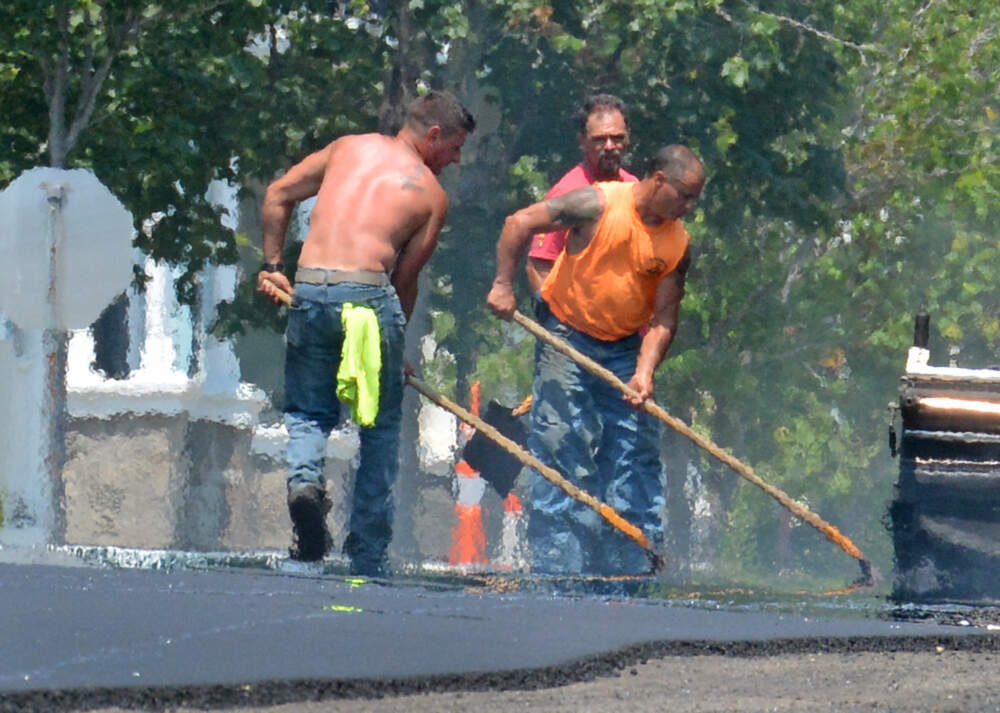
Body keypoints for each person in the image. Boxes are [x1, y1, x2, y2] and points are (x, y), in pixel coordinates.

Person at [257, 90, 475, 575]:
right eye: (454, 148)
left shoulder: (346, 148)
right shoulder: (430, 194)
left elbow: (277, 194)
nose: (456, 159)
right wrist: (394, 355)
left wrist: (273, 266)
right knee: (378, 428)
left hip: (310, 289)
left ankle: (304, 487)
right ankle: (368, 552)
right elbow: (405, 281)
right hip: (369, 296)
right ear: (433, 134)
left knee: (309, 412)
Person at [487, 145, 705, 576]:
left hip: (624, 350)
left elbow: (663, 319)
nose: (689, 206)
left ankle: (630, 564)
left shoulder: (678, 243)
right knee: (561, 447)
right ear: (658, 179)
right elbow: (520, 223)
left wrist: (644, 372)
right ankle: (558, 568)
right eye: (684, 194)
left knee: (635, 450)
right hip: (567, 339)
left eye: (695, 198)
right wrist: (502, 286)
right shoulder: (598, 202)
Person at [525, 94, 639, 295]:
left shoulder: (634, 187)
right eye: (600, 140)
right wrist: (555, 320)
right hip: (578, 321)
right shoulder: (567, 192)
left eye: (617, 138)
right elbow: (538, 265)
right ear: (583, 141)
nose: (610, 146)